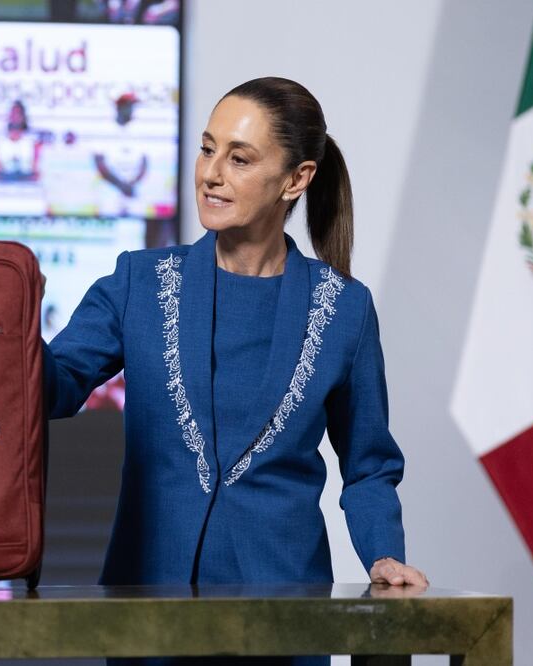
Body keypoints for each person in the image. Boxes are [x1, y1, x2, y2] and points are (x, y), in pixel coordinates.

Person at [47, 77, 426, 665]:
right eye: (206, 148)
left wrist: (383, 553)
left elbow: (369, 466)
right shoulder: (137, 283)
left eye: (238, 157)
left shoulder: (346, 309)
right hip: (148, 608)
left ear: (297, 179)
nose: (210, 173)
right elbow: (55, 385)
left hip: (286, 611)